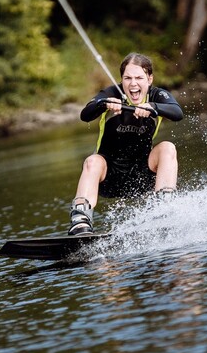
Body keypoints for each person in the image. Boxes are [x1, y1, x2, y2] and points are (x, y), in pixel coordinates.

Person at [68, 53, 183, 235]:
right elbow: (86, 114)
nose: (133, 83)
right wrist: (103, 104)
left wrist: (153, 108)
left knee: (167, 147)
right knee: (92, 161)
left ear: (149, 79)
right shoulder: (111, 94)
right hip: (110, 177)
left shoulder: (157, 96)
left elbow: (177, 112)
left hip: (142, 177)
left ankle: (164, 212)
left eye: (139, 77)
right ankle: (81, 221)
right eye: (127, 78)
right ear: (121, 80)